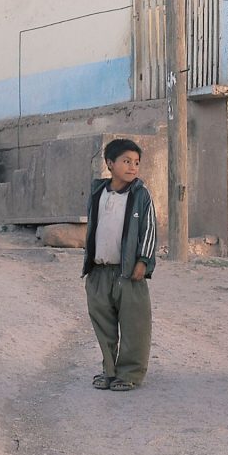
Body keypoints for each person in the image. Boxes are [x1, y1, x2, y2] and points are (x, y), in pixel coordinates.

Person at [82, 138, 158, 391]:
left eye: (136, 163)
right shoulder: (98, 192)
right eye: (126, 161)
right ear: (110, 164)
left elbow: (149, 230)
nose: (132, 167)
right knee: (103, 324)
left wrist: (143, 262)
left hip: (129, 273)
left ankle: (130, 373)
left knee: (135, 324)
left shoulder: (140, 195)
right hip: (100, 270)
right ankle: (109, 370)